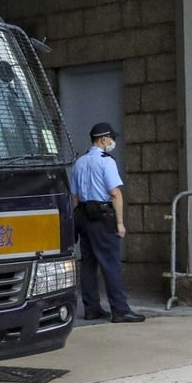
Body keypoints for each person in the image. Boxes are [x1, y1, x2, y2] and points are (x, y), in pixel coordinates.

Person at [71, 122, 144, 323]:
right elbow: (114, 193)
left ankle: (91, 308)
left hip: (84, 216)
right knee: (111, 263)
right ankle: (120, 310)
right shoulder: (106, 161)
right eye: (112, 139)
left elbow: (74, 197)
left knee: (88, 264)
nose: (113, 142)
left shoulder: (80, 162)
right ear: (103, 140)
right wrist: (120, 223)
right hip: (103, 217)